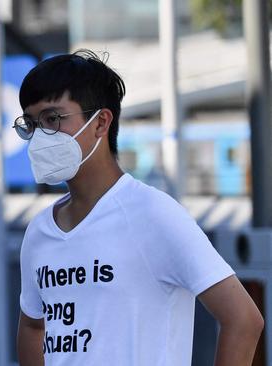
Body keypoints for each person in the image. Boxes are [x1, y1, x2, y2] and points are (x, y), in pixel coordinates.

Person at [15, 50, 263, 366]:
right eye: (31, 124)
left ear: (101, 123)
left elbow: (243, 319)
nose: (40, 136)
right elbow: (33, 326)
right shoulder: (40, 231)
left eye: (53, 119)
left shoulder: (152, 214)